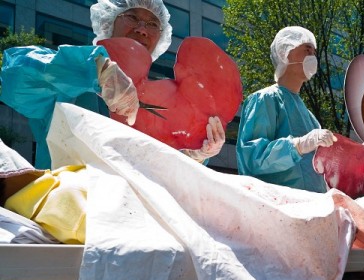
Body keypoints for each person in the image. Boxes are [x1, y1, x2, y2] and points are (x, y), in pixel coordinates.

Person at [0, 0, 224, 169]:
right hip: (66, 209)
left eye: (152, 24)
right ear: (109, 21)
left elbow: (163, 172)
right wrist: (96, 70)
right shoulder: (73, 72)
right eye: (132, 17)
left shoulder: (161, 103)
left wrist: (194, 155)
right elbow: (14, 75)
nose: (142, 29)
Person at [236, 26, 336, 193]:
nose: (312, 56)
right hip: (276, 205)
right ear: (285, 52)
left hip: (314, 204)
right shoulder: (265, 99)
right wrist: (298, 146)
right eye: (307, 49)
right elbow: (252, 158)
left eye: (314, 52)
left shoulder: (310, 118)